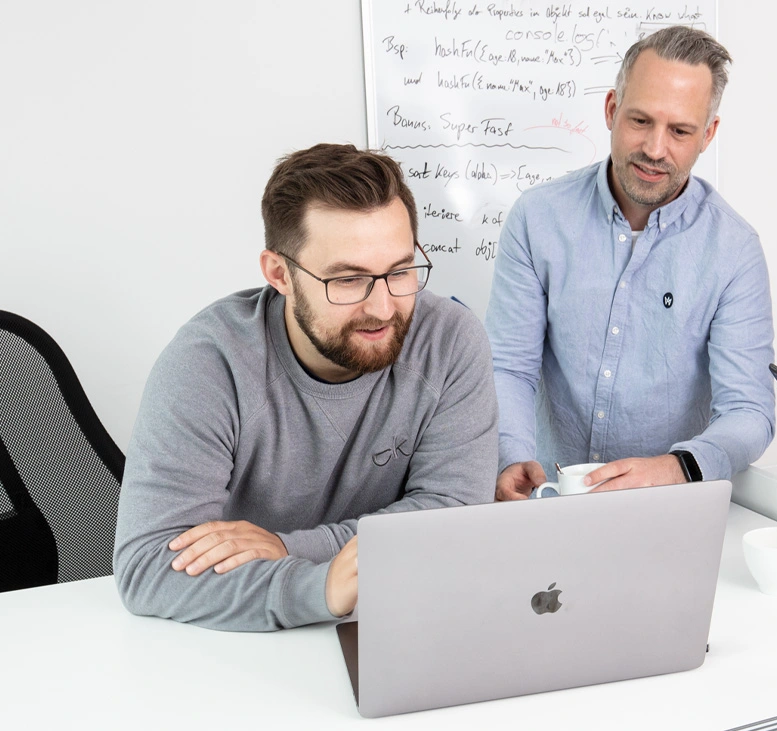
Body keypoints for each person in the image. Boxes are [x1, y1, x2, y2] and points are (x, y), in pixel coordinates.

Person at [114, 144, 498, 630]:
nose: (382, 307)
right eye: (348, 280)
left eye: (400, 271)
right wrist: (316, 587)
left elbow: (454, 519)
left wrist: (289, 548)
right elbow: (147, 567)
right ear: (280, 274)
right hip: (235, 643)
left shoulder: (450, 340)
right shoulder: (208, 363)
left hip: (401, 625)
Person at [486, 26, 775, 499]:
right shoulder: (537, 218)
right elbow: (508, 367)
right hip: (547, 499)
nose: (655, 149)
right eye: (640, 121)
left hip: (668, 507)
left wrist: (676, 467)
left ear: (708, 135)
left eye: (680, 130)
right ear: (611, 110)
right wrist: (513, 454)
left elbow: (748, 410)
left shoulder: (735, 249)